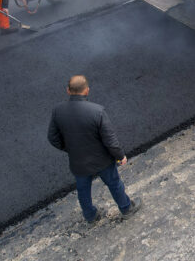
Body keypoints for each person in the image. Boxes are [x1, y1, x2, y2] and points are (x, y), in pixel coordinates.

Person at [47, 75, 142, 224]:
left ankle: (90, 216)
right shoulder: (97, 111)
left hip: (78, 162)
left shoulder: (58, 111)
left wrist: (70, 149)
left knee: (83, 190)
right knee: (114, 184)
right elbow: (110, 140)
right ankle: (126, 208)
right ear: (86, 91)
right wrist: (120, 156)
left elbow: (52, 138)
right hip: (102, 160)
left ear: (68, 90)